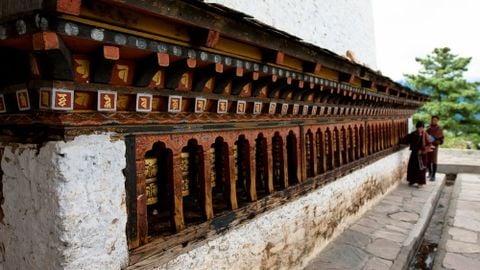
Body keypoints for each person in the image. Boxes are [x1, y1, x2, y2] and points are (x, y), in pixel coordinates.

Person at [404, 121, 434, 187]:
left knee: (421, 168)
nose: (420, 129)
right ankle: (412, 180)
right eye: (418, 128)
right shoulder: (413, 134)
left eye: (421, 128)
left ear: (423, 128)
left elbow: (429, 144)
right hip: (414, 153)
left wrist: (423, 150)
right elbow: (407, 139)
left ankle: (420, 182)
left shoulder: (425, 134)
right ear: (416, 127)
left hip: (422, 154)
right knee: (412, 167)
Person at [426, 116, 444, 181]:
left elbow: (441, 137)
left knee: (434, 160)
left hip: (435, 145)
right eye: (433, 120)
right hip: (428, 145)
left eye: (435, 120)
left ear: (437, 121)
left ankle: (433, 175)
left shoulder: (439, 128)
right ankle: (430, 173)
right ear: (431, 120)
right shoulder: (428, 127)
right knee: (428, 159)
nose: (434, 121)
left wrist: (435, 141)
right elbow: (425, 135)